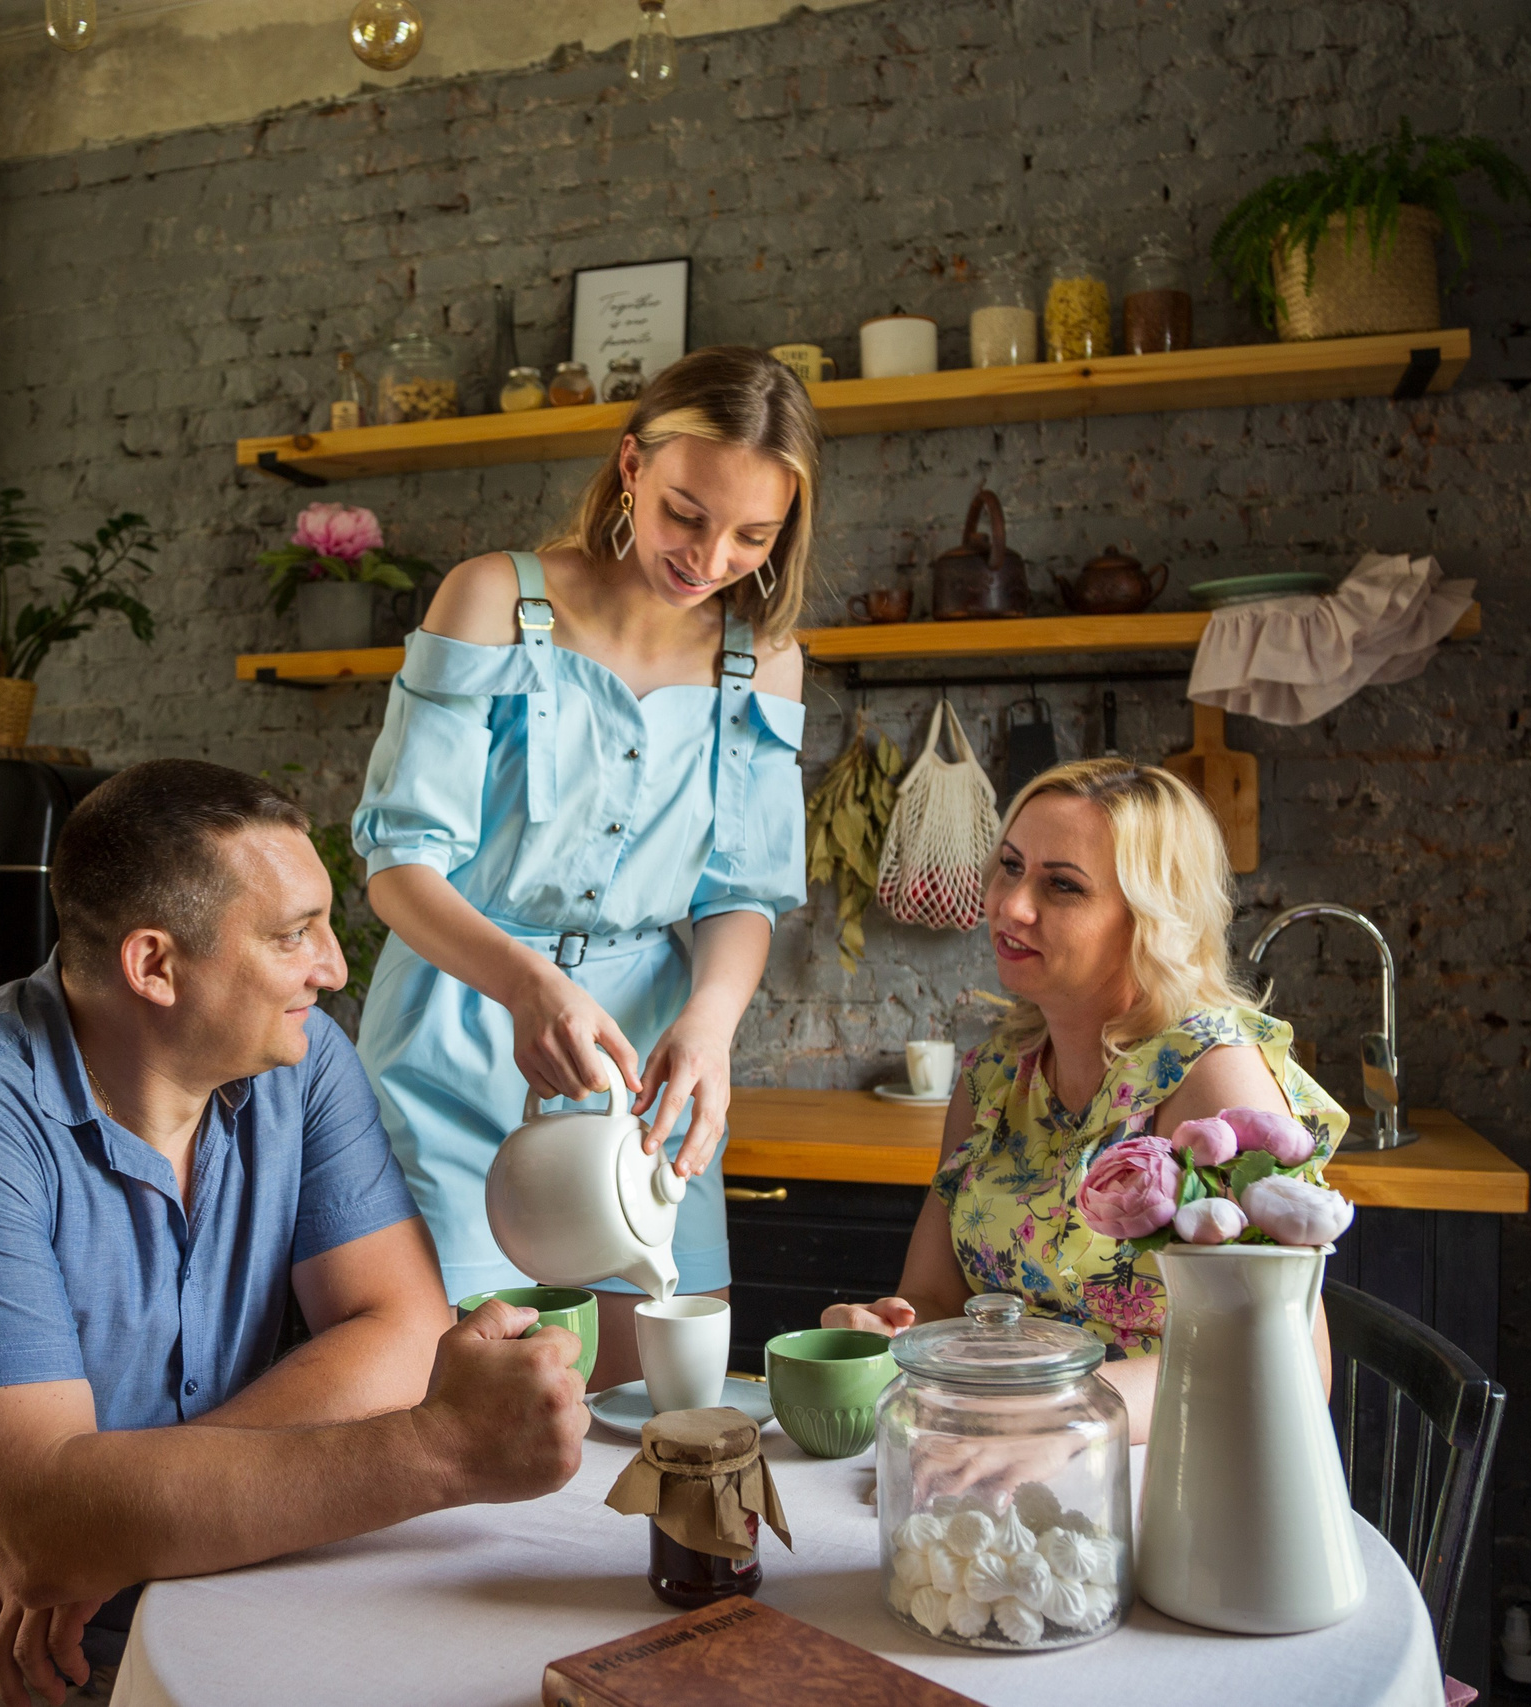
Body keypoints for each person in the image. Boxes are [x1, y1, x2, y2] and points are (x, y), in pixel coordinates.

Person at [0, 761, 589, 1707]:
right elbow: (42, 1524)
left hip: (186, 1583)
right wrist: (443, 1450)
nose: (335, 966)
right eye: (292, 934)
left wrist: (118, 1520)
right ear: (154, 965)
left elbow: (398, 1330)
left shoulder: (301, 1064)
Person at [350, 345, 818, 1388]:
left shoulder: (763, 658)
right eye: (686, 513)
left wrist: (708, 1027)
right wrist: (528, 984)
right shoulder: (490, 600)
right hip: (460, 1025)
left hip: (644, 1061)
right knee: (459, 1384)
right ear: (630, 468)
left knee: (657, 1380)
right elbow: (396, 865)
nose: (709, 556)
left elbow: (739, 892)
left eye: (753, 533)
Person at [825, 758, 1348, 1427]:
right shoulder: (993, 1079)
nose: (1011, 904)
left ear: (1150, 918)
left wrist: (1047, 1417)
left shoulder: (1207, 1071)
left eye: (1062, 885)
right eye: (1010, 866)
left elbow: (1292, 1363)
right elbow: (933, 1295)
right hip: (1005, 1445)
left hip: (1169, 1474)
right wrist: (887, 1331)